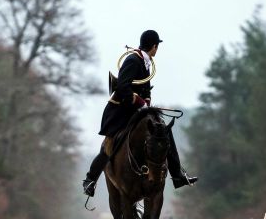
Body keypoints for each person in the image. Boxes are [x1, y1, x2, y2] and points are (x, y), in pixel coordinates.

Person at [82, 29, 198, 197]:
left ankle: (177, 175)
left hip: (137, 110)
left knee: (163, 129)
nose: (157, 49)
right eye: (157, 46)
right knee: (109, 145)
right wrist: (141, 102)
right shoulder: (133, 60)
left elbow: (146, 89)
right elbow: (122, 87)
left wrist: (148, 103)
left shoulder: (146, 62)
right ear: (154, 46)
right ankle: (90, 180)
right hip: (119, 111)